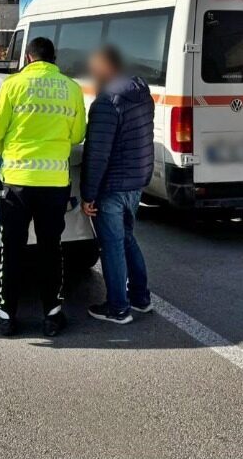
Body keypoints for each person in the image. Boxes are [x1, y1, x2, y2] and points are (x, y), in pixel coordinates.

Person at [0, 36, 86, 337]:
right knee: (51, 249)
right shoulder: (72, 88)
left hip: (17, 183)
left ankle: (6, 316)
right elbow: (77, 135)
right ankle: (52, 316)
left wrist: (7, 147)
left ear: (28, 57)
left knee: (12, 249)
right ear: (54, 59)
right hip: (54, 184)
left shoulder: (12, 85)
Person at [80, 45, 154, 324]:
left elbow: (97, 153)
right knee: (127, 239)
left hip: (112, 185)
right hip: (135, 181)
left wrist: (88, 194)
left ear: (105, 66)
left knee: (112, 246)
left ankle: (118, 308)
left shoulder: (106, 102)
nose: (92, 71)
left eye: (95, 65)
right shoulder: (141, 92)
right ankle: (140, 298)